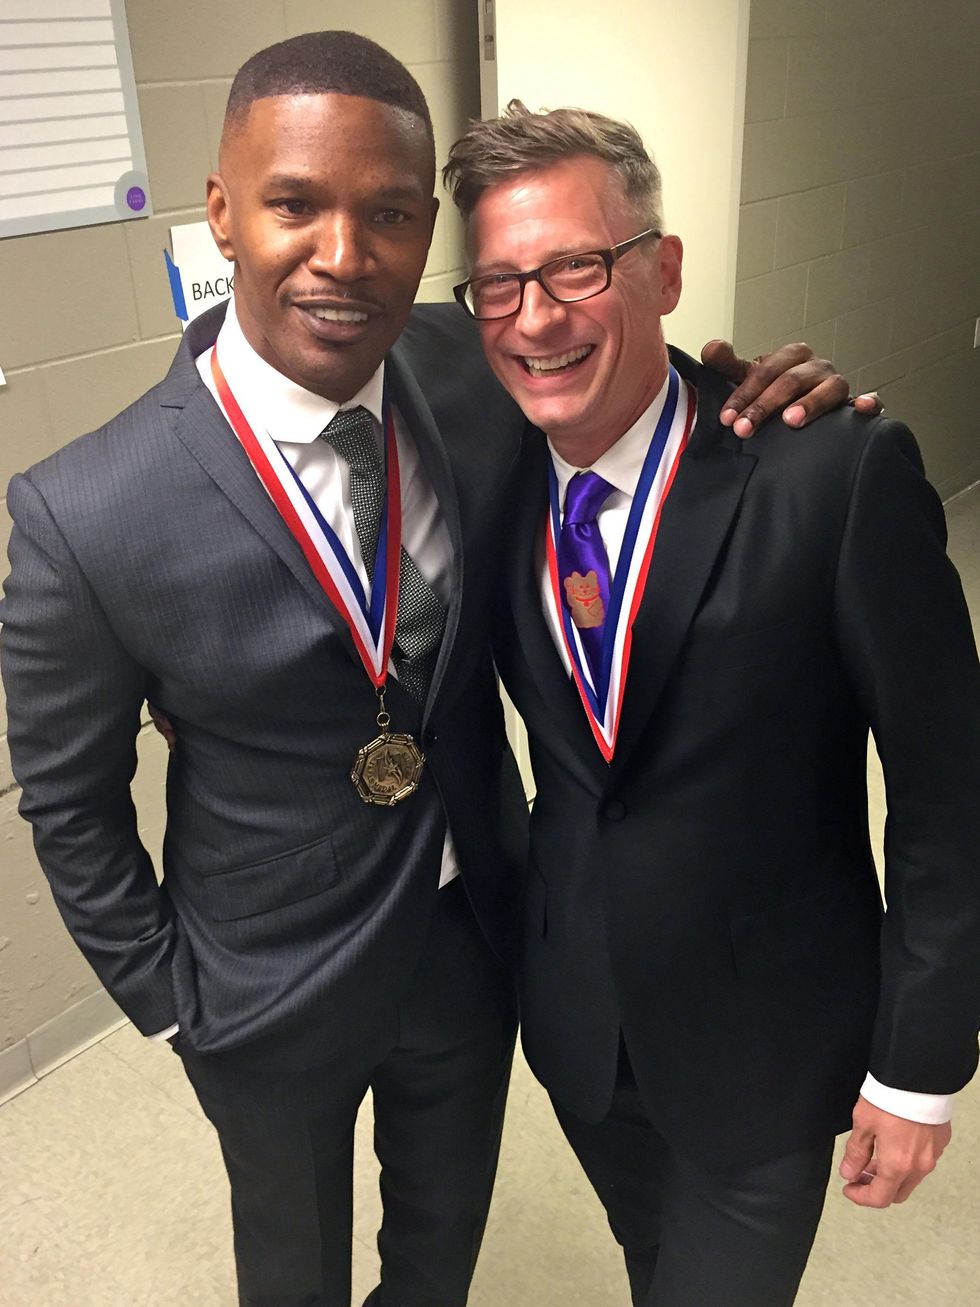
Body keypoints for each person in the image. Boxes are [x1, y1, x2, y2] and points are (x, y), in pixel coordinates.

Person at [1, 32, 865, 1307]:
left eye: (391, 215)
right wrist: (171, 1000)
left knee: (438, 1247)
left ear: (427, 241)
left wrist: (752, 396)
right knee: (289, 1272)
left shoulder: (471, 370)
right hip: (258, 982)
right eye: (295, 203)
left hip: (473, 937)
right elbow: (68, 806)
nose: (344, 255)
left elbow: (617, 384)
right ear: (223, 213)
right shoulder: (87, 511)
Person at [443, 102, 980, 1307]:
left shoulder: (830, 473)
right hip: (582, 1032)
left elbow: (951, 794)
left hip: (770, 1049)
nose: (534, 315)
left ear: (663, 268)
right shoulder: (493, 472)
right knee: (653, 1269)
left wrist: (918, 1066)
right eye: (497, 282)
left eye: (576, 265)